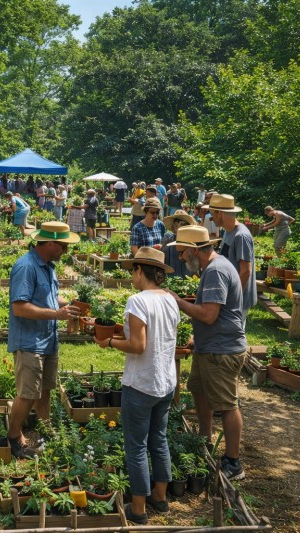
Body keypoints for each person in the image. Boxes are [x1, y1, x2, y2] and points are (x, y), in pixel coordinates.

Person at [95, 247, 179, 524]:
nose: (131, 275)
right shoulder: (169, 299)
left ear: (141, 270)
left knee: (136, 447)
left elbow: (138, 345)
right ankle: (160, 497)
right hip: (165, 383)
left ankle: (139, 509)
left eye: (133, 270)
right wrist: (122, 331)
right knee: (159, 439)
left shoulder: (138, 300)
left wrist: (108, 341)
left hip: (141, 383)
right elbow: (154, 334)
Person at [166, 225, 247, 482]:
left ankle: (233, 462)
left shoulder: (215, 272)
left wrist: (178, 301)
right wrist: (196, 335)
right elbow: (214, 313)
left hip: (221, 351)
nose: (180, 258)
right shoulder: (214, 266)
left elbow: (209, 316)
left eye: (181, 253)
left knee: (226, 405)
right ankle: (204, 439)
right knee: (198, 390)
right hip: (208, 346)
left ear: (193, 250)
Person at [8, 221, 81, 458]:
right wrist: (57, 314)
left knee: (45, 390)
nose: (66, 251)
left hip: (47, 340)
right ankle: (14, 437)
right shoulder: (26, 267)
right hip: (30, 342)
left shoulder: (47, 266)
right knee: (28, 393)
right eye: (63, 246)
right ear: (49, 243)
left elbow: (49, 298)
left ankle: (44, 431)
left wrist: (69, 306)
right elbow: (20, 307)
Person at [211, 194, 255, 324]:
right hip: (229, 296)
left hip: (237, 299)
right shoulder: (228, 231)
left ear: (219, 213)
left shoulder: (241, 236)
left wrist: (233, 298)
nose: (211, 218)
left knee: (234, 338)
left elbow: (246, 271)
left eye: (212, 213)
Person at [161, 210, 196, 277]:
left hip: (188, 280)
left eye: (185, 225)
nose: (182, 228)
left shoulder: (192, 240)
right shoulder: (168, 239)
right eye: (181, 224)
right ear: (174, 226)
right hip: (172, 280)